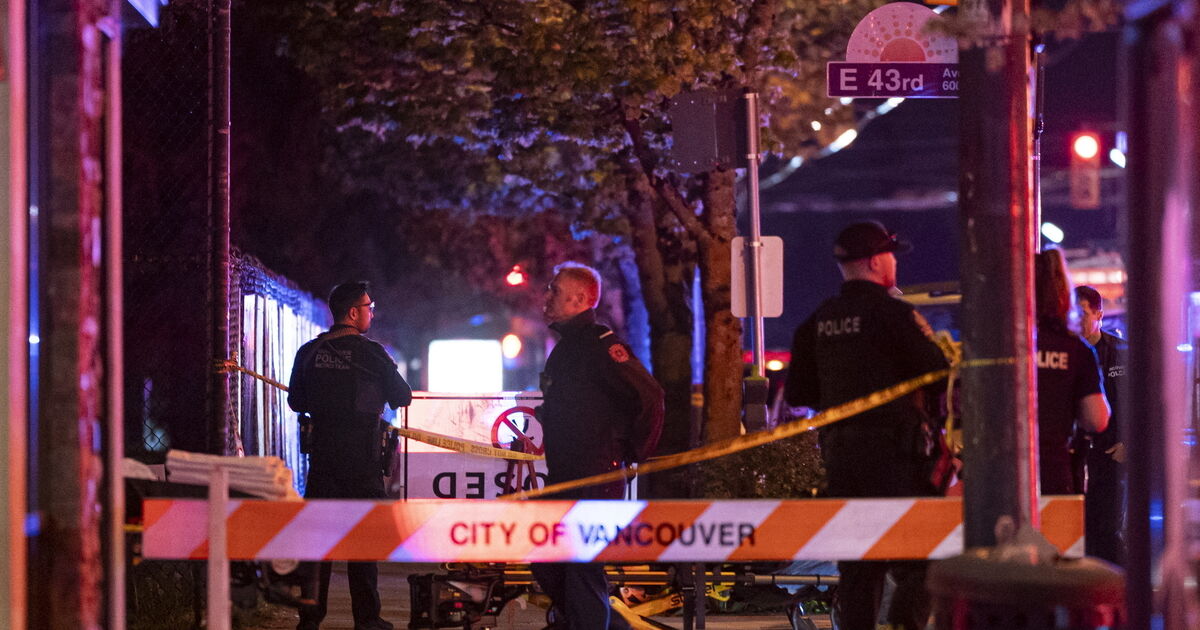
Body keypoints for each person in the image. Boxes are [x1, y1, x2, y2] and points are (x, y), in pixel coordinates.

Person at [784, 221, 949, 630]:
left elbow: (799, 393)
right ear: (876, 261)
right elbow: (938, 373)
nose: (894, 262)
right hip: (898, 458)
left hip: (842, 458)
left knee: (859, 567)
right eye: (890, 255)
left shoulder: (817, 321)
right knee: (921, 554)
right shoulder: (895, 315)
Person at [533, 262, 664, 630]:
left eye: (555, 290)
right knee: (544, 554)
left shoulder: (600, 344)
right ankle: (598, 623)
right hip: (566, 475)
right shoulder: (566, 348)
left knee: (582, 568)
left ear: (579, 299)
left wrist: (633, 452)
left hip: (595, 478)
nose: (547, 296)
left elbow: (651, 396)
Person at [288, 281, 412, 630]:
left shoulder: (310, 351)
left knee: (318, 545)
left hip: (322, 461)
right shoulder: (373, 354)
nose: (372, 312)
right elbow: (402, 396)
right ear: (354, 312)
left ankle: (309, 620)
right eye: (370, 307)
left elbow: (296, 401)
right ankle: (367, 619)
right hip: (363, 462)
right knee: (363, 541)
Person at [1033, 250, 1109, 495]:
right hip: (1052, 472)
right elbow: (1097, 419)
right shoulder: (1076, 349)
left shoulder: (997, 344)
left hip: (996, 475)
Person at [1075, 284, 1127, 565]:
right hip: (1079, 456)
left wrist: (1128, 444)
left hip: (1111, 454)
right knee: (1079, 530)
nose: (1077, 320)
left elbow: (1141, 401)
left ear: (1099, 314)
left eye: (1083, 313)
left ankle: (1121, 584)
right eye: (1073, 314)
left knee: (1108, 530)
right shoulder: (1071, 353)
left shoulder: (1120, 352)